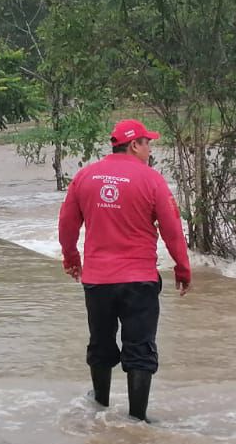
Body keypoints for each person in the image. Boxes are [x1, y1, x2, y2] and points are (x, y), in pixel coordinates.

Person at [57, 118, 192, 421]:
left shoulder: (85, 176)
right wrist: (183, 269)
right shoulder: (151, 179)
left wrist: (71, 258)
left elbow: (67, 224)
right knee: (140, 348)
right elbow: (172, 230)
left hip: (98, 281)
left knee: (101, 344)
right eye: (148, 143)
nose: (150, 149)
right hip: (139, 281)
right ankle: (137, 419)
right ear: (134, 144)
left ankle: (100, 405)